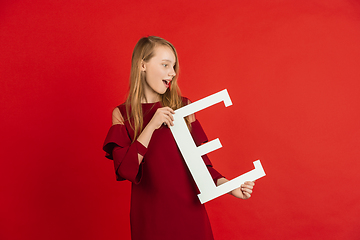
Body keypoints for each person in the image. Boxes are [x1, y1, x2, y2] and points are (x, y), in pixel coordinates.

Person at [103, 36, 255, 240]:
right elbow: (126, 169)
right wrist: (152, 125)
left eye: (173, 66)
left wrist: (231, 187)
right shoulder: (122, 114)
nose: (172, 73)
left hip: (189, 211)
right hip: (150, 217)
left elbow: (201, 164)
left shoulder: (183, 107)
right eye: (165, 64)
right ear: (142, 65)